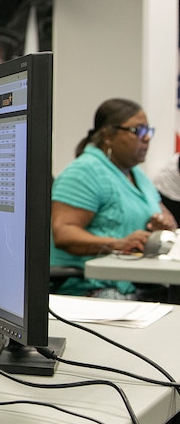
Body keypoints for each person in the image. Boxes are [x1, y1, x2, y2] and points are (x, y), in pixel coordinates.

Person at [50, 97, 177, 299]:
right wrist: (118, 243)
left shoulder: (136, 174)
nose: (146, 138)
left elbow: (164, 213)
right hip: (91, 288)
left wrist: (165, 224)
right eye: (138, 131)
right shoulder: (84, 172)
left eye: (148, 131)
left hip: (135, 283)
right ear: (108, 135)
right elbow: (64, 233)